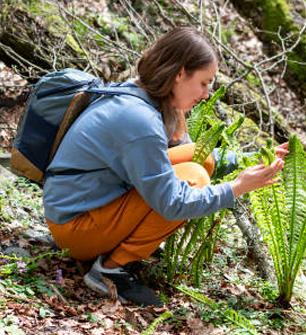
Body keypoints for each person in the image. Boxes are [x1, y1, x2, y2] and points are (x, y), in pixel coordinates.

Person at [43, 27, 287, 307]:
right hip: (75, 228)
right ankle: (111, 271)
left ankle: (121, 248)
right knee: (194, 178)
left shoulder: (145, 96)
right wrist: (238, 187)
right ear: (180, 74)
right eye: (204, 83)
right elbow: (174, 202)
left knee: (200, 159)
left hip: (85, 205)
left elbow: (194, 155)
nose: (207, 94)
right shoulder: (140, 121)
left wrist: (250, 159)